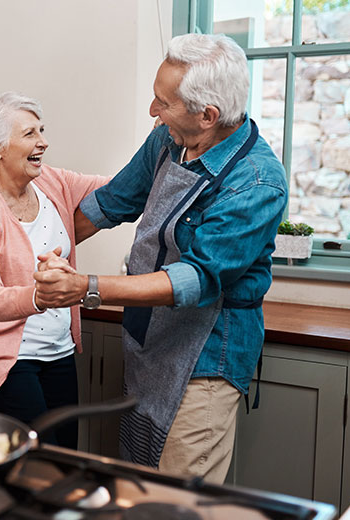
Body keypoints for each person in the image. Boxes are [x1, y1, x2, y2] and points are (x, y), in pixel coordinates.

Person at [34, 33, 288, 481]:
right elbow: (109, 204)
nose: (153, 111)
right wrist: (32, 253)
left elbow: (192, 280)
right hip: (148, 341)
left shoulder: (256, 183)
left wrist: (85, 288)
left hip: (204, 358)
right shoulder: (168, 142)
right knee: (139, 484)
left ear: (207, 116)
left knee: (177, 498)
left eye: (163, 103)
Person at [0, 92, 109, 449]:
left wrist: (161, 140)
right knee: (35, 459)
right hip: (11, 358)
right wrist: (39, 297)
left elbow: (121, 189)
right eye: (29, 134)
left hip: (59, 349)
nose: (43, 141)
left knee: (64, 455)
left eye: (41, 130)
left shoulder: (54, 183)